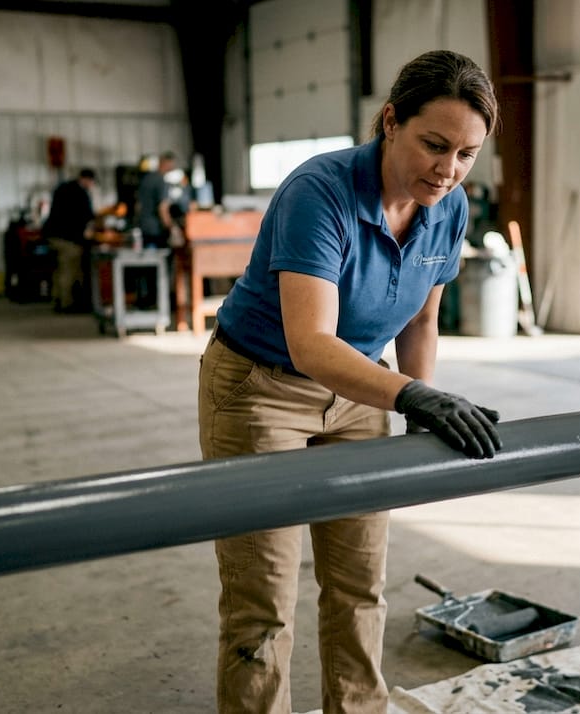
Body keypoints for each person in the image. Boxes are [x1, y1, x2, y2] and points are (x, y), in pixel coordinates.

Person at [198, 50, 501, 714]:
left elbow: (421, 319)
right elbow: (311, 344)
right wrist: (414, 395)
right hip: (262, 388)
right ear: (391, 121)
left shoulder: (447, 208)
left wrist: (421, 402)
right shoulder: (321, 192)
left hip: (362, 389)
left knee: (360, 585)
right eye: (434, 144)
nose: (447, 169)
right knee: (263, 602)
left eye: (466, 154)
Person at [41, 167, 96, 312]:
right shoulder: (80, 193)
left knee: (59, 270)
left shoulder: (63, 188)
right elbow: (87, 217)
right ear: (87, 180)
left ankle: (57, 300)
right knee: (69, 270)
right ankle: (66, 304)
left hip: (52, 236)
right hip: (67, 239)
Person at [135, 151, 178, 250]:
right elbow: (163, 208)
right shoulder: (161, 181)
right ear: (166, 163)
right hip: (156, 230)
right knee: (159, 259)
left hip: (143, 227)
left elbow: (138, 206)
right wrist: (171, 227)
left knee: (148, 260)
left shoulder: (146, 179)